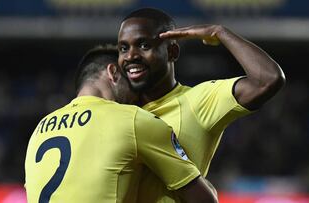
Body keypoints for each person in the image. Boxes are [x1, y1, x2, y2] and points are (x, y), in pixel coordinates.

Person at [117, 7, 286, 202]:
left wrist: (220, 32)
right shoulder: (116, 109)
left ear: (172, 51)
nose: (131, 56)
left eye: (144, 45)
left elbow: (268, 79)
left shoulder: (199, 100)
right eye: (123, 48)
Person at [24, 45, 218, 203]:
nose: (138, 97)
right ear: (113, 72)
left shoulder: (40, 129)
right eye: (132, 84)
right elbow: (204, 200)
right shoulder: (131, 119)